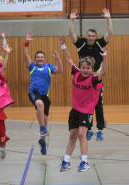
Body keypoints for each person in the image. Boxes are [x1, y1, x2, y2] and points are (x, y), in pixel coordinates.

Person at [59, 36, 108, 172]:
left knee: (82, 134)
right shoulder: (76, 73)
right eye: (83, 67)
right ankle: (66, 161)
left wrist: (105, 58)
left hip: (86, 111)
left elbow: (104, 72)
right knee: (72, 135)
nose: (85, 70)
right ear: (80, 67)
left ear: (92, 69)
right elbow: (68, 59)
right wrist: (63, 46)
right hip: (75, 110)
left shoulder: (94, 79)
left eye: (88, 68)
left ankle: (84, 162)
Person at [69, 8, 113, 141]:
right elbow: (71, 34)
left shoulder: (99, 43)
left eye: (93, 36)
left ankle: (100, 129)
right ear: (86, 35)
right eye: (89, 35)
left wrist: (108, 18)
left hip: (95, 77)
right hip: (82, 78)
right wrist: (71, 20)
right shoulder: (81, 44)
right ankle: (87, 129)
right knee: (84, 104)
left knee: (98, 103)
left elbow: (110, 32)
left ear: (95, 36)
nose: (91, 37)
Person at [23, 31, 63, 155]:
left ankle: (43, 142)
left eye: (42, 57)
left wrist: (58, 59)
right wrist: (27, 43)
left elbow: (60, 71)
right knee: (39, 104)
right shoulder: (32, 67)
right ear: (35, 59)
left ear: (44, 59)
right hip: (34, 93)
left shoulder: (49, 67)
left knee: (45, 121)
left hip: (45, 96)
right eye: (38, 57)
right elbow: (25, 55)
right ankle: (41, 128)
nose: (40, 58)